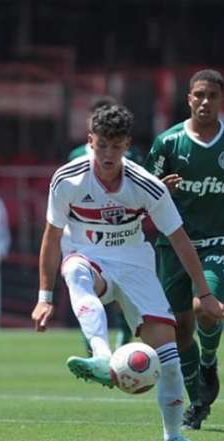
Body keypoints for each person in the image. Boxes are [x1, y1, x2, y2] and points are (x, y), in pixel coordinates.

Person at [31, 105, 224, 441]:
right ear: (90, 141)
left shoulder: (147, 186)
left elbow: (179, 239)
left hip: (136, 267)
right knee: (75, 270)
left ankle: (174, 438)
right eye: (101, 145)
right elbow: (52, 237)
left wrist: (206, 293)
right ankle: (100, 355)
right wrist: (45, 295)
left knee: (169, 360)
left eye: (116, 146)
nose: (108, 154)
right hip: (88, 256)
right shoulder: (67, 179)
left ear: (127, 144)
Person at [143, 69, 224, 430]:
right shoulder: (167, 143)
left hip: (218, 243)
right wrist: (159, 190)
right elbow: (143, 191)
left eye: (211, 96)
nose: (204, 102)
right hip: (173, 245)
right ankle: (198, 401)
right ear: (188, 99)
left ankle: (209, 360)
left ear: (221, 99)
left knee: (205, 308)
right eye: (198, 95)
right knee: (180, 330)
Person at [67, 96, 136, 349]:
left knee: (119, 289)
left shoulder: (131, 156)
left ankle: (124, 333)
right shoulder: (75, 155)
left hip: (116, 230)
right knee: (83, 286)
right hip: (82, 230)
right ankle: (94, 343)